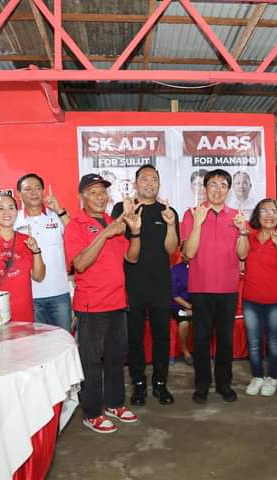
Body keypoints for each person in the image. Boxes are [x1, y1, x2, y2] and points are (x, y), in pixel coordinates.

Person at [64, 173, 142, 434]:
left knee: (116, 358)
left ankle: (115, 403)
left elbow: (132, 257)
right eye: (93, 192)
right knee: (91, 362)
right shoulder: (75, 225)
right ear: (82, 197)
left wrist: (135, 232)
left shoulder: (112, 221)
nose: (100, 197)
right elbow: (80, 264)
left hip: (117, 302)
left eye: (103, 192)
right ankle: (92, 412)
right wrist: (105, 234)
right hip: (92, 305)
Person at [111, 165, 180, 406]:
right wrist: (125, 217)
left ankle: (160, 384)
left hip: (160, 285)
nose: (150, 183)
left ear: (159, 184)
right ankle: (138, 384)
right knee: (135, 339)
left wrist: (170, 225)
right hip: (132, 285)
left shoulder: (168, 212)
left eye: (154, 179)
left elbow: (171, 249)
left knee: (162, 338)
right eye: (144, 179)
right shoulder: (122, 208)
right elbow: (114, 240)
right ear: (135, 183)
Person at [182, 168, 250, 404]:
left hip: (228, 288)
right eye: (213, 184)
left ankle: (224, 384)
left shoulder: (237, 216)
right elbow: (189, 253)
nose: (218, 189)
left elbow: (243, 254)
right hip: (200, 288)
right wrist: (198, 224)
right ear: (205, 188)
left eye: (223, 185)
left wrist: (243, 231)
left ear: (228, 190)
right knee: (201, 340)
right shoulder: (192, 214)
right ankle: (202, 385)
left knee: (225, 340)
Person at [243, 199, 277, 396]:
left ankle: (271, 377)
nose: (269, 215)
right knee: (254, 341)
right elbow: (240, 258)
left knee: (274, 341)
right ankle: (257, 376)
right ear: (257, 215)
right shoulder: (250, 237)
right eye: (264, 211)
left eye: (273, 211)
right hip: (251, 299)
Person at [0, 193, 45, 321]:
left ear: (16, 212)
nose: (7, 212)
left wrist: (36, 251)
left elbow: (39, 277)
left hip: (22, 314)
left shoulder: (26, 240)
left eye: (11, 208)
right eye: (1, 208)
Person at [13, 173, 72, 330]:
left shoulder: (58, 216)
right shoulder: (13, 219)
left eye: (38, 188)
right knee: (36, 343)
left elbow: (76, 236)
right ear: (18, 194)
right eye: (28, 189)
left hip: (59, 293)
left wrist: (59, 210)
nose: (34, 192)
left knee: (63, 340)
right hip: (29, 297)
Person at [170, 257, 193, 365]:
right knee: (184, 323)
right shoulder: (176, 269)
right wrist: (189, 306)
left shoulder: (201, 268)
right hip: (178, 304)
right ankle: (185, 351)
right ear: (182, 255)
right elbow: (174, 295)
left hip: (198, 305)